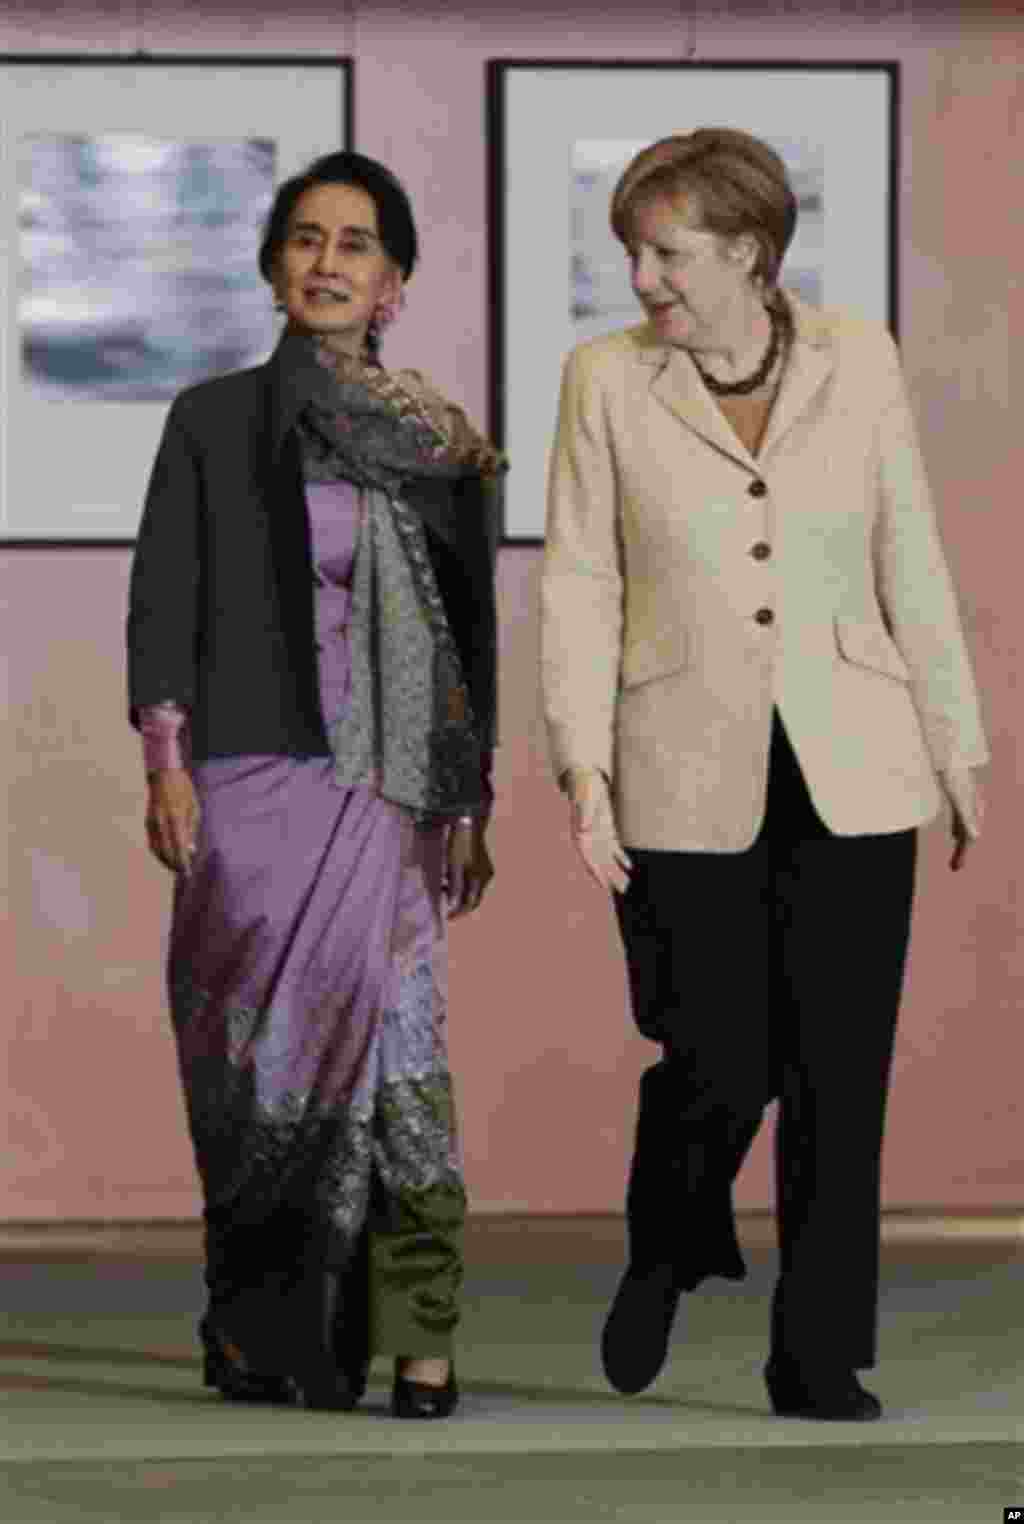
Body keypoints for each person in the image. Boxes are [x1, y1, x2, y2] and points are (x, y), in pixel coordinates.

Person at [541, 128, 988, 1421]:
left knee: (841, 1070)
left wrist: (958, 747)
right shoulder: (604, 383)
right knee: (717, 1055)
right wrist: (584, 769)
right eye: (631, 251)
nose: (642, 279)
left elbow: (912, 553)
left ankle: (818, 1352)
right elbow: (578, 583)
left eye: (666, 252)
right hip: (676, 752)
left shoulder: (861, 360)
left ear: (747, 252)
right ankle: (668, 1239)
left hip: (857, 752)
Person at [128, 150, 504, 1417]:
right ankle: (263, 1333)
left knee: (398, 1051)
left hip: (390, 793)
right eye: (306, 238)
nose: (328, 261)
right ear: (274, 267)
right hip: (246, 779)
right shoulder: (213, 419)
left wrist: (467, 794)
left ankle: (418, 1337)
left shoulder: (438, 448)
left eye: (356, 243)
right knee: (251, 1066)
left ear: (392, 281)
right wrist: (166, 765)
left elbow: (469, 637)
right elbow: (163, 597)